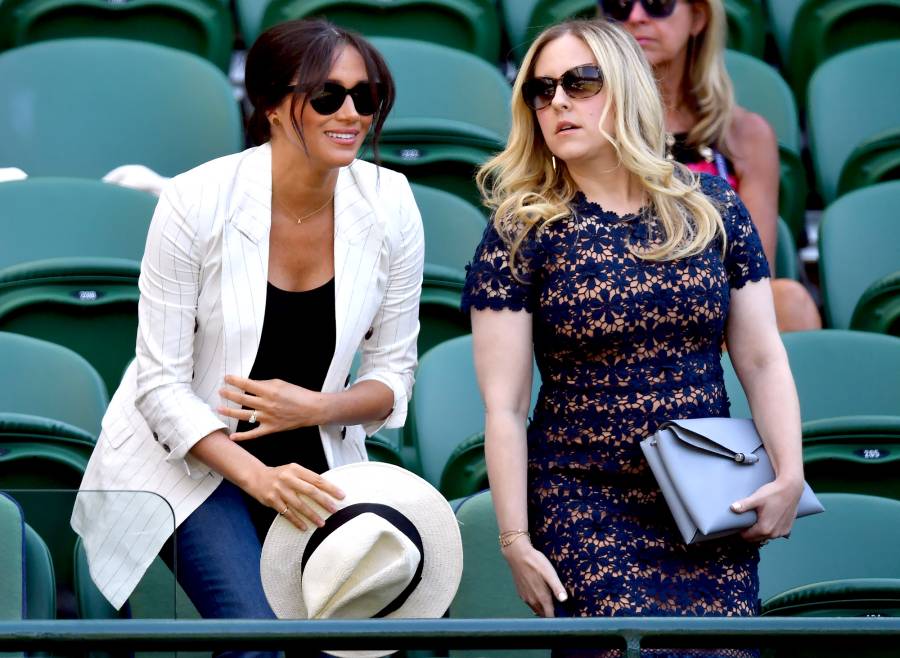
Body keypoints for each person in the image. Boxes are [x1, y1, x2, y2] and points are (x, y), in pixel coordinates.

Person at [70, 18, 424, 653]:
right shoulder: (195, 201)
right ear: (272, 105)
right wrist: (260, 479)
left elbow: (393, 375)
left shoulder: (391, 203)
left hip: (318, 458)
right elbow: (159, 385)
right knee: (255, 635)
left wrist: (317, 407)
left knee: (349, 640)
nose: (351, 113)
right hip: (190, 461)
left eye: (366, 96)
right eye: (328, 96)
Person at [463, 19, 804, 657]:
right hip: (583, 500)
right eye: (541, 90)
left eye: (580, 82)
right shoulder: (521, 231)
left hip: (707, 496)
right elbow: (504, 406)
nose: (557, 101)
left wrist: (790, 473)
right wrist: (515, 541)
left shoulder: (712, 207)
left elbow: (762, 358)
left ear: (625, 86)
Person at [597, 0, 821, 333]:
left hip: (719, 315)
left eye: (658, 3)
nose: (636, 17)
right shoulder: (593, 129)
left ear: (698, 17)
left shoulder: (746, 135)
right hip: (622, 312)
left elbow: (755, 273)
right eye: (619, 5)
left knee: (789, 301)